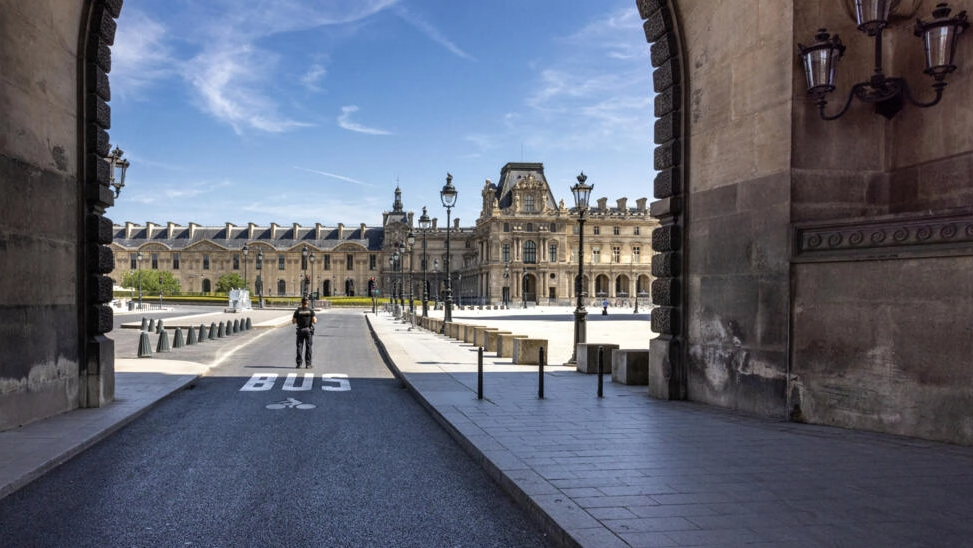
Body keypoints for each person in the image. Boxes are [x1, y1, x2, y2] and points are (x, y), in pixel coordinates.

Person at [292, 297, 317, 368]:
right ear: (307, 302)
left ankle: (299, 364)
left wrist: (299, 320)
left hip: (300, 330)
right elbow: (314, 321)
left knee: (299, 347)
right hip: (308, 330)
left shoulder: (297, 311)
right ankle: (308, 364)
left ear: (301, 302)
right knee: (308, 347)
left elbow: (293, 321)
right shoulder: (310, 311)